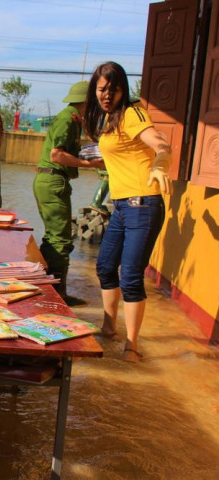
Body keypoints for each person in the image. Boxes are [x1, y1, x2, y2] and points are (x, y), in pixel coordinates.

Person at [83, 61, 172, 363]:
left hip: (143, 204)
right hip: (121, 206)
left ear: (123, 89)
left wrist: (160, 164)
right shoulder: (110, 119)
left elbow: (161, 144)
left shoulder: (133, 114)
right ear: (95, 91)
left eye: (114, 88)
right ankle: (109, 329)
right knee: (106, 267)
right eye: (102, 89)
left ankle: (132, 346)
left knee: (131, 276)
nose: (107, 94)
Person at [32, 81, 105, 306]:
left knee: (55, 237)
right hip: (53, 180)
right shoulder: (67, 119)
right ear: (88, 101)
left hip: (52, 181)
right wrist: (90, 163)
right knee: (61, 239)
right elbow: (57, 156)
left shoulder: (73, 118)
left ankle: (48, 289)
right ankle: (56, 295)